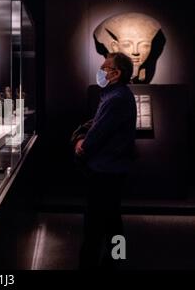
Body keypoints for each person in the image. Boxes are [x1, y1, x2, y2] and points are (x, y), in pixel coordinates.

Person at [72, 52, 137, 269]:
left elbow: (98, 132)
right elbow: (96, 125)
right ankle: (117, 259)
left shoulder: (116, 98)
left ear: (116, 73)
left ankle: (93, 264)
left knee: (96, 223)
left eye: (105, 68)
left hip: (105, 170)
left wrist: (83, 144)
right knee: (112, 218)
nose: (101, 71)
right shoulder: (114, 96)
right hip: (111, 169)